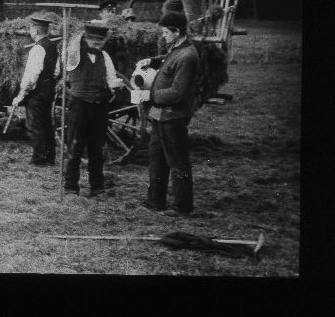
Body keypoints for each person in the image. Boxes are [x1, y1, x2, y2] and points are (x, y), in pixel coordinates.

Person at [133, 11, 201, 216]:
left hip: (173, 117)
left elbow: (177, 93)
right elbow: (168, 60)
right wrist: (151, 60)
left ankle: (182, 207)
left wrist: (149, 95)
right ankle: (155, 201)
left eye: (165, 32)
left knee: (177, 162)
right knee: (156, 159)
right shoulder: (177, 49)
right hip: (159, 115)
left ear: (176, 31)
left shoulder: (188, 56)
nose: (163, 35)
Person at [62, 20, 125, 196]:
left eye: (100, 41)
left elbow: (111, 78)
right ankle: (71, 186)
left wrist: (115, 86)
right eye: (93, 41)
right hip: (79, 106)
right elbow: (70, 47)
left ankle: (97, 186)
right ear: (86, 39)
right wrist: (80, 33)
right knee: (75, 147)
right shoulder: (74, 55)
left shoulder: (104, 57)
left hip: (99, 106)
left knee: (97, 148)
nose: (96, 44)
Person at [12, 13, 58, 166]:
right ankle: (50, 157)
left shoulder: (37, 49)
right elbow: (57, 71)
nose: (30, 31)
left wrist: (22, 94)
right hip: (49, 89)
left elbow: (31, 77)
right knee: (47, 123)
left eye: (31, 28)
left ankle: (38, 159)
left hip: (37, 92)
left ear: (36, 31)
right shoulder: (52, 46)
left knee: (34, 125)